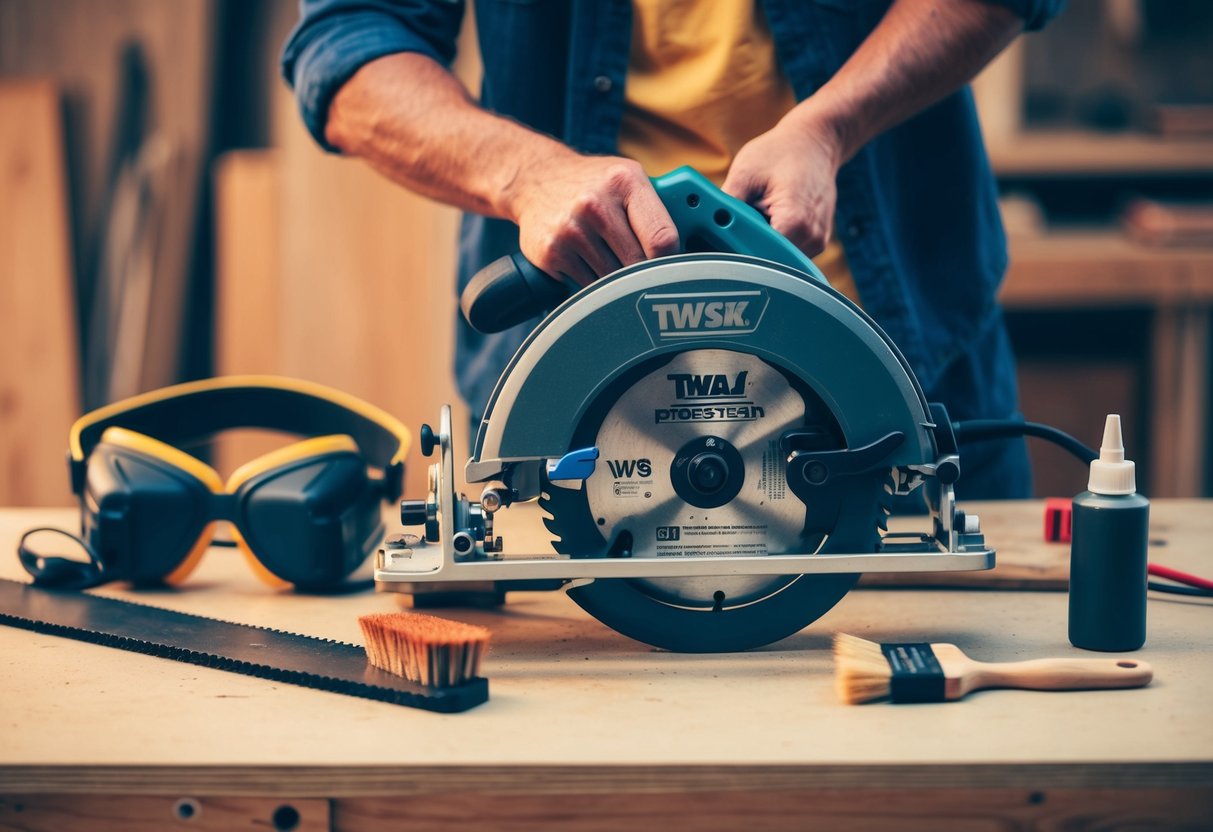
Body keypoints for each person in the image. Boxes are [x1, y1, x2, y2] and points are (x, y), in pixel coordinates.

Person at [282, 0, 1063, 499]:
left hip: (899, 359)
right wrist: (526, 175)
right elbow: (347, 39)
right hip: (581, 404)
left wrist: (830, 128)